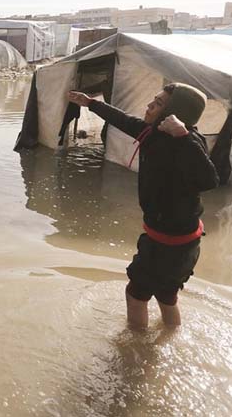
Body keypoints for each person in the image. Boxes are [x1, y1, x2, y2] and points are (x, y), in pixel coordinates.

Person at [68, 83, 219, 329]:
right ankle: (169, 337)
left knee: (136, 294)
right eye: (154, 99)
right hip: (175, 239)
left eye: (158, 103)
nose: (149, 106)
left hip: (170, 243)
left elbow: (209, 180)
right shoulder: (153, 133)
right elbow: (124, 120)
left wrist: (181, 136)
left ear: (176, 113)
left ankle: (134, 355)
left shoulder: (187, 142)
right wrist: (91, 103)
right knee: (166, 296)